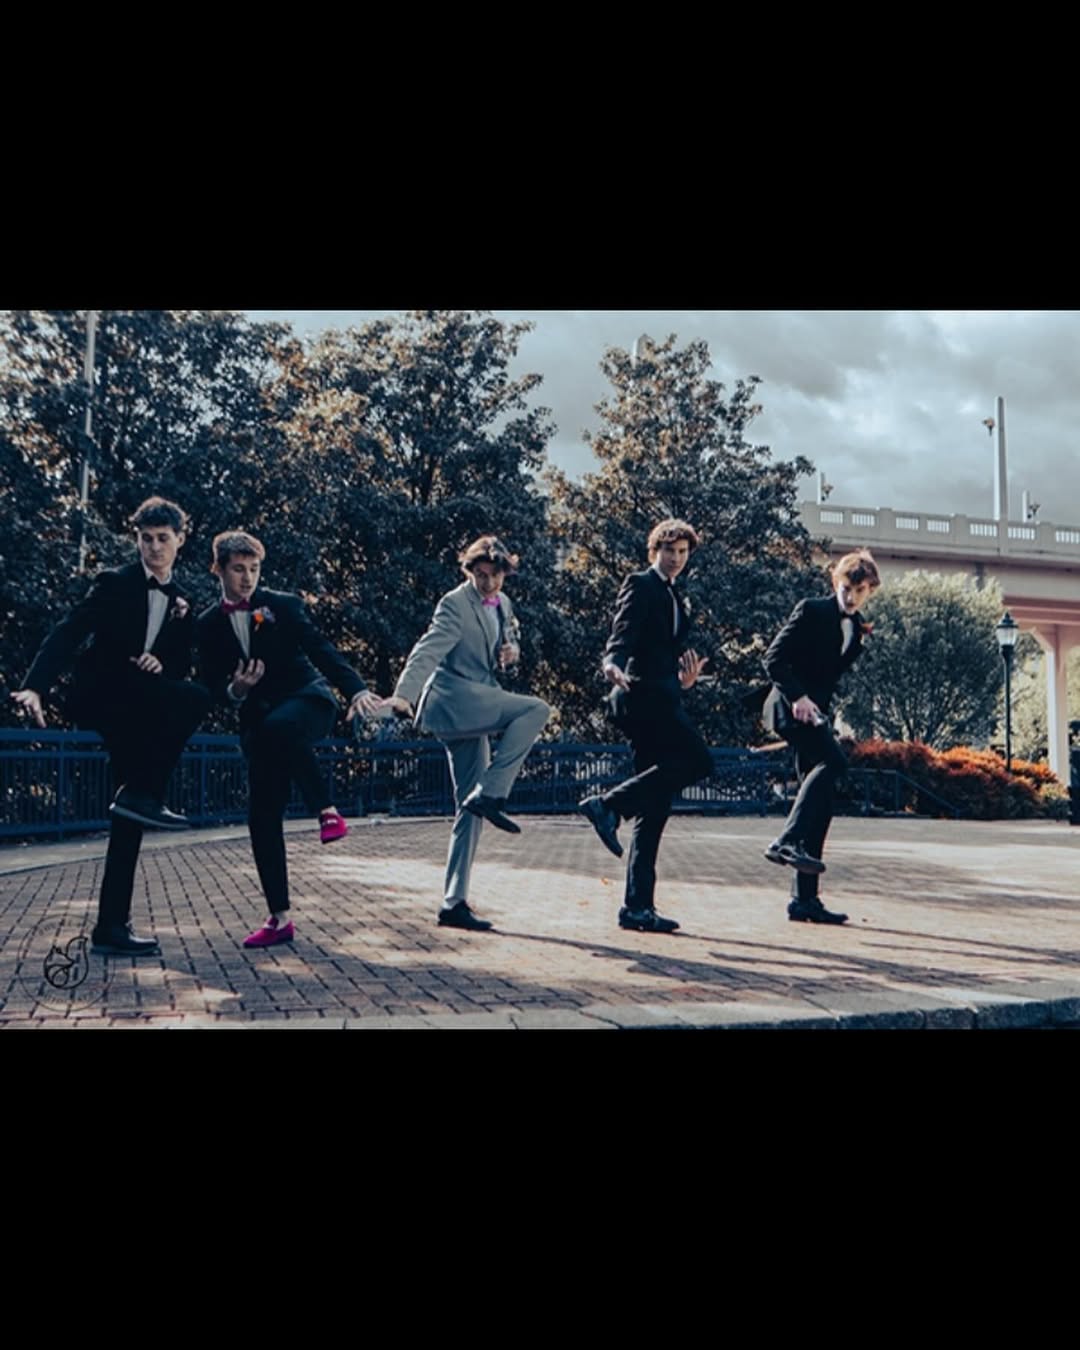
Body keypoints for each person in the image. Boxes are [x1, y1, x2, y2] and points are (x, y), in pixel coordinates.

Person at [10, 496, 210, 956]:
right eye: (146, 539)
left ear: (180, 540)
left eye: (163, 539)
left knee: (128, 816)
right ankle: (146, 794)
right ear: (136, 539)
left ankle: (111, 927)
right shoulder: (115, 583)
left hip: (142, 707)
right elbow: (69, 631)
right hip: (104, 697)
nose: (154, 547)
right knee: (196, 699)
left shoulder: (184, 600)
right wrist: (35, 686)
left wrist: (161, 663)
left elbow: (180, 662)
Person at [196, 531, 381, 949]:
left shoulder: (282, 605)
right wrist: (236, 690)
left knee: (280, 726)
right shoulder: (207, 624)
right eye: (238, 569)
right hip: (260, 726)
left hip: (307, 703)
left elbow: (320, 649)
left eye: (254, 569)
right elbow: (211, 686)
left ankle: (327, 810)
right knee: (262, 818)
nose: (248, 578)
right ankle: (279, 919)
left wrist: (355, 689)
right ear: (219, 570)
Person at [382, 536, 550, 932]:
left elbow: (505, 647)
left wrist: (511, 655)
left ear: (505, 574)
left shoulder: (503, 604)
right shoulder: (455, 603)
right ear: (469, 571)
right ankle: (492, 793)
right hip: (455, 702)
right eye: (481, 575)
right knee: (536, 709)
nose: (488, 583)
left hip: (479, 700)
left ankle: (453, 902)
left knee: (468, 810)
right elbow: (428, 649)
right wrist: (404, 696)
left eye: (495, 576)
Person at [578, 519, 712, 934]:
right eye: (669, 550)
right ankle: (609, 805)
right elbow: (623, 633)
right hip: (642, 698)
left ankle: (637, 907)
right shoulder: (641, 584)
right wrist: (611, 663)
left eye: (683, 552)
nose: (676, 558)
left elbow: (664, 652)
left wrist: (685, 680)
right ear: (655, 550)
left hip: (665, 694)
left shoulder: (675, 594)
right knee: (699, 760)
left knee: (655, 807)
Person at [761, 548, 881, 924]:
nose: (851, 597)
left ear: (870, 592)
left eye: (859, 591)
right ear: (835, 582)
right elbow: (772, 659)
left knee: (821, 803)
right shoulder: (811, 610)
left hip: (815, 717)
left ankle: (804, 901)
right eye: (847, 588)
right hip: (789, 708)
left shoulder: (857, 630)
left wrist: (820, 713)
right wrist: (799, 697)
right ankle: (786, 840)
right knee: (836, 762)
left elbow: (828, 677)